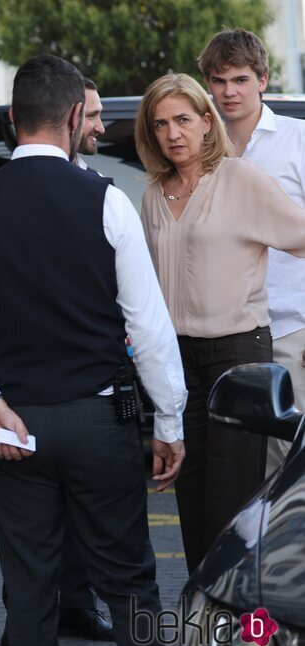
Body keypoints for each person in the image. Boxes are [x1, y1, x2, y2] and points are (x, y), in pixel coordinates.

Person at [0, 55, 188, 646]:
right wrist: (169, 418)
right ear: (74, 116)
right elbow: (146, 325)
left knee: (30, 589)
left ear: (14, 117)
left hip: (12, 423)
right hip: (98, 421)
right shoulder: (107, 202)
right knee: (129, 582)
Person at [134, 72, 305, 574]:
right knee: (192, 503)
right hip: (177, 363)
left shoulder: (240, 179)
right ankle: (204, 630)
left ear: (208, 123)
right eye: (161, 123)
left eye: (184, 119)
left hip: (239, 357)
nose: (173, 133)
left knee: (234, 508)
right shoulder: (153, 196)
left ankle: (248, 634)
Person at [0, 76, 116, 646]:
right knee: (47, 539)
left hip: (32, 403)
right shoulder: (101, 199)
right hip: (58, 400)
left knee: (45, 532)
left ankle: (69, 608)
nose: (100, 126)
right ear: (71, 117)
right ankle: (32, 618)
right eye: (91, 115)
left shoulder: (102, 189)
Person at [198, 28, 305, 476]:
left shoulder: (298, 139)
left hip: (292, 329)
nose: (228, 91)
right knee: (245, 472)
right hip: (230, 334)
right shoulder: (200, 148)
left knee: (292, 465)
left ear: (262, 80)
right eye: (219, 81)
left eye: (239, 79)